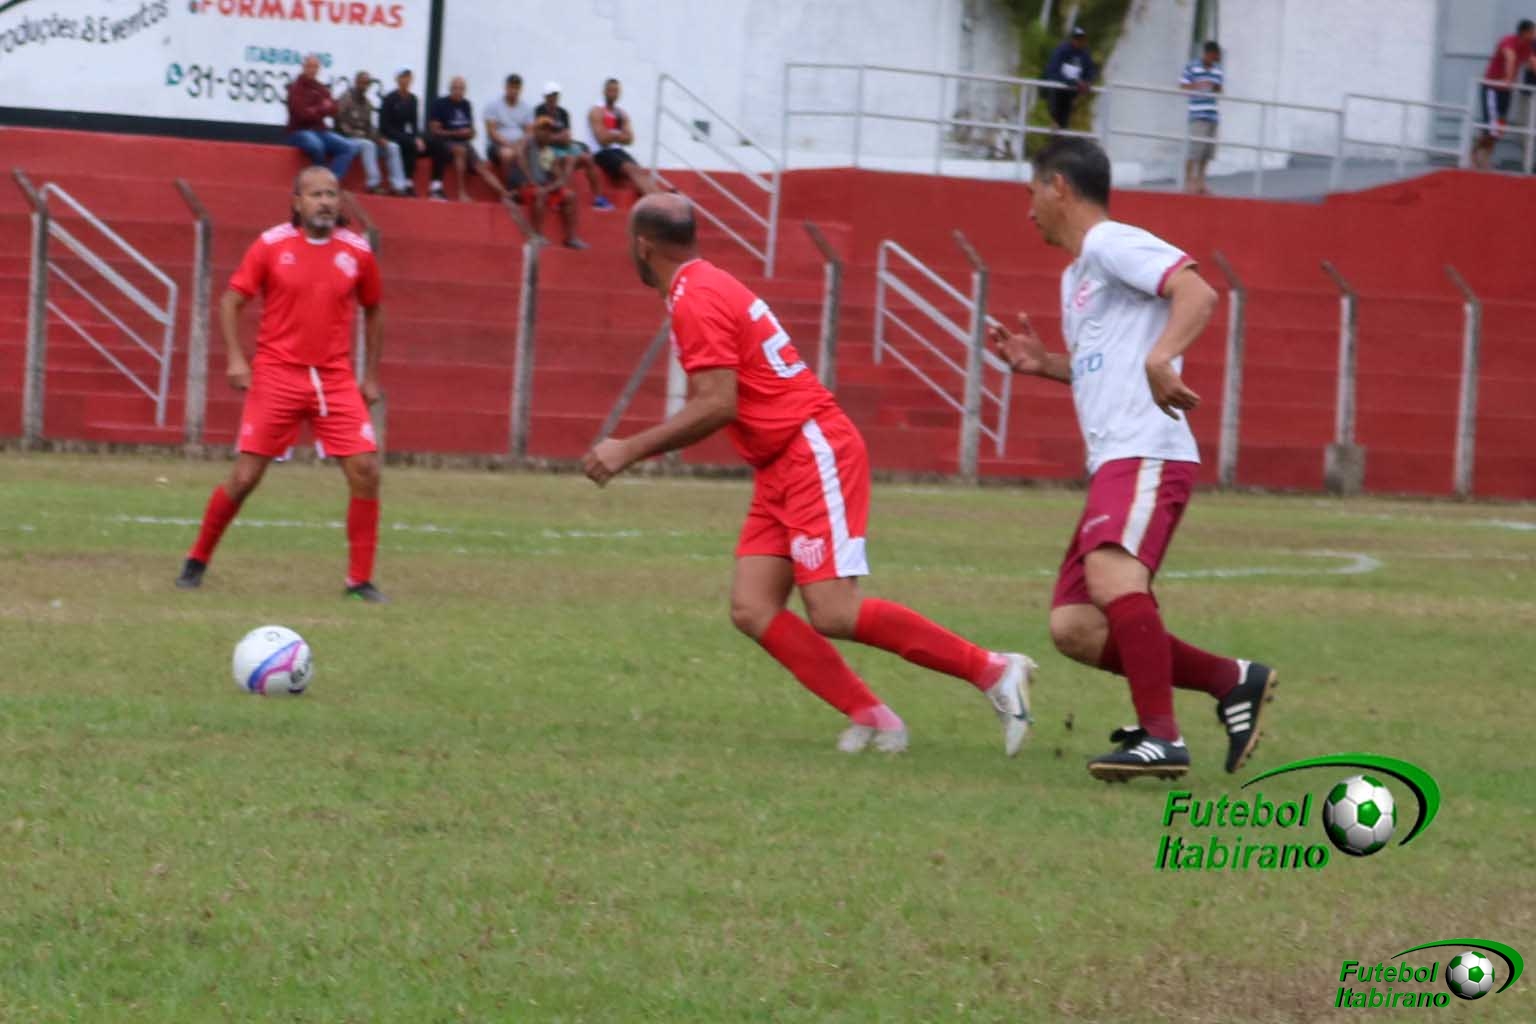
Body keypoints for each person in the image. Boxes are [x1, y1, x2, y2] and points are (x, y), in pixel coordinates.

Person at [581, 194, 1037, 756]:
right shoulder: (703, 285)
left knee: (834, 610)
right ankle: (874, 717)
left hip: (810, 448)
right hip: (779, 459)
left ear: (642, 245)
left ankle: (991, 669)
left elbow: (717, 403)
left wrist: (628, 449)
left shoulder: (695, 297)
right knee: (753, 606)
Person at [988, 137, 1276, 782]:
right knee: (1075, 626)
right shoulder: (1076, 276)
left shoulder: (1111, 242)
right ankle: (1231, 680)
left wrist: (1162, 357)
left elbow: (1197, 292)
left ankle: (1162, 738)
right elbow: (1105, 365)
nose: (1029, 210)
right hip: (1115, 457)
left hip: (1146, 446)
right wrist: (1043, 364)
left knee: (1114, 578)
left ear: (1059, 186)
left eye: (1032, 193)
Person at [175, 167, 388, 603]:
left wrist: (370, 375)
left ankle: (359, 581)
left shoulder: (357, 250)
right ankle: (196, 561)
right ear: (296, 202)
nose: (325, 202)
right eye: (316, 195)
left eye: (332, 194)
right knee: (245, 477)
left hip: (334, 378)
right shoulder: (271, 245)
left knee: (366, 471)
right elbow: (231, 301)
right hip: (278, 375)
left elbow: (374, 309)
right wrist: (237, 358)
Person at [426, 76, 509, 202]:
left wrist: (471, 133)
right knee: (461, 151)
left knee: (481, 166)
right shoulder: (440, 104)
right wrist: (456, 133)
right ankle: (462, 193)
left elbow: (471, 130)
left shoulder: (466, 104)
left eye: (461, 88)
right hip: (445, 143)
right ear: (450, 89)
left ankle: (505, 193)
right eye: (455, 88)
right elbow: (434, 130)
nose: (458, 91)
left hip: (464, 141)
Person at [509, 116, 588, 249]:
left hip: (542, 188)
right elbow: (520, 158)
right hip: (524, 186)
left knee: (570, 196)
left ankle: (571, 238)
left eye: (549, 130)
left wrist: (550, 187)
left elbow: (560, 178)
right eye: (543, 129)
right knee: (540, 193)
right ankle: (537, 236)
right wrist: (532, 181)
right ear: (536, 130)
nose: (547, 133)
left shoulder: (550, 152)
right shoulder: (528, 142)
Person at [535, 82, 611, 210]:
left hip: (564, 146)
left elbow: (567, 136)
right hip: (549, 148)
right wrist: (558, 138)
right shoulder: (539, 111)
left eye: (555, 95)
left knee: (588, 158)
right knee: (568, 159)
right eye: (551, 95)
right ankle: (563, 196)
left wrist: (558, 138)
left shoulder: (563, 112)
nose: (553, 98)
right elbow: (541, 136)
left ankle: (598, 198)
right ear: (545, 97)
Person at [1472, 20, 1536, 170]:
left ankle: (1480, 154)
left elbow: (1532, 63)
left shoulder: (1527, 46)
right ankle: (1479, 157)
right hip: (1492, 88)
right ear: (1525, 32)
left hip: (1505, 91)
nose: (1535, 34)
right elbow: (1510, 57)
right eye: (1533, 31)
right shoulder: (1508, 41)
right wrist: (1507, 78)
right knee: (1492, 126)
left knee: (1499, 126)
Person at [336, 70, 411, 197]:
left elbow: (369, 127)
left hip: (364, 138)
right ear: (356, 82)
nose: (364, 86)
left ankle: (399, 186)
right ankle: (373, 184)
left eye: (366, 84)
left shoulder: (367, 103)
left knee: (392, 147)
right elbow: (339, 121)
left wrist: (379, 138)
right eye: (362, 83)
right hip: (348, 138)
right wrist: (357, 134)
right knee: (368, 145)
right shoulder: (346, 98)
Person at [286, 55, 358, 180]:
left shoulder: (320, 87)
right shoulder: (295, 88)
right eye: (309, 66)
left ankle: (331, 181)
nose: (312, 70)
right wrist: (322, 108)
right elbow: (302, 115)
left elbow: (334, 108)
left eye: (315, 67)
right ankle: (319, 180)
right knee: (316, 145)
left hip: (320, 131)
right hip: (299, 131)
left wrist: (315, 109)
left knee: (348, 147)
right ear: (303, 67)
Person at [587, 77, 660, 197]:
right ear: (604, 91)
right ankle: (655, 199)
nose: (613, 93)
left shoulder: (621, 113)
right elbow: (602, 140)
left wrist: (612, 135)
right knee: (630, 168)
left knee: (639, 171)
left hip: (617, 151)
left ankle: (659, 198)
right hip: (601, 153)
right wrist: (620, 135)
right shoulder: (596, 111)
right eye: (610, 90)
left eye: (616, 91)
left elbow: (630, 139)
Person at [1179, 41, 1224, 194]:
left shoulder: (1217, 70)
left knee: (1207, 152)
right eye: (1214, 55)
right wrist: (1199, 85)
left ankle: (1201, 182)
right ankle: (1188, 182)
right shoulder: (1192, 67)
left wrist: (1216, 88)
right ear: (1208, 53)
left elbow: (1219, 89)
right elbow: (1183, 85)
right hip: (1197, 114)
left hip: (1212, 114)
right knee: (1194, 151)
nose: (1215, 58)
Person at [1043, 26, 1098, 131]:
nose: (1079, 41)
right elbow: (1053, 71)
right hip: (1058, 90)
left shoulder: (1085, 54)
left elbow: (1091, 70)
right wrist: (1073, 82)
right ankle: (1054, 122)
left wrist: (1088, 82)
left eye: (1081, 39)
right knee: (1055, 98)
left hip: (1071, 93)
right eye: (1076, 38)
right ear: (1071, 39)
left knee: (1065, 121)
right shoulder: (1062, 50)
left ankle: (1061, 130)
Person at [380, 68, 425, 195]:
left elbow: (414, 123)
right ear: (397, 80)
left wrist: (418, 137)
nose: (406, 81)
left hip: (404, 134)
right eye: (403, 77)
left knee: (415, 142)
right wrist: (408, 138)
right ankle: (403, 182)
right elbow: (384, 124)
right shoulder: (389, 98)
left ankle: (408, 181)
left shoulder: (413, 99)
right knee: (408, 142)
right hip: (390, 133)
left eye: (408, 78)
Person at [485, 73, 535, 186]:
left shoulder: (527, 108)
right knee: (507, 154)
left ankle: (529, 186)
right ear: (506, 87)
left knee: (534, 153)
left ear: (521, 89)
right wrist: (509, 144)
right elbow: (492, 132)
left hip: (519, 145)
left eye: (516, 87)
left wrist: (520, 144)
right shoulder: (493, 106)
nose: (514, 90)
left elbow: (529, 131)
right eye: (511, 87)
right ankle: (510, 188)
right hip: (497, 145)